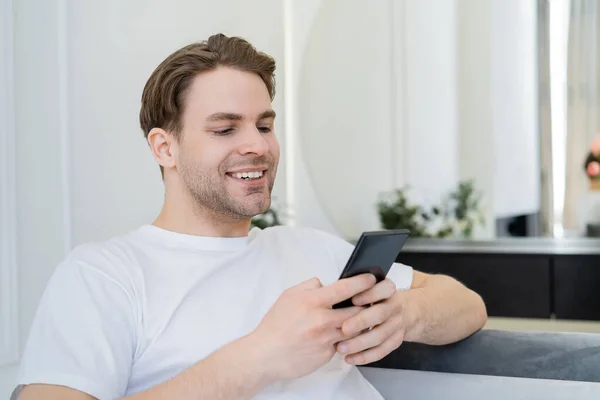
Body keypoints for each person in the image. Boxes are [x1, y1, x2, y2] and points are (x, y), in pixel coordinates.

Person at [13, 34, 487, 400]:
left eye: (264, 125)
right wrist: (258, 358)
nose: (258, 145)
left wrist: (405, 314)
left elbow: (466, 304)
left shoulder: (309, 248)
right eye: (225, 128)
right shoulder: (104, 275)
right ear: (165, 147)